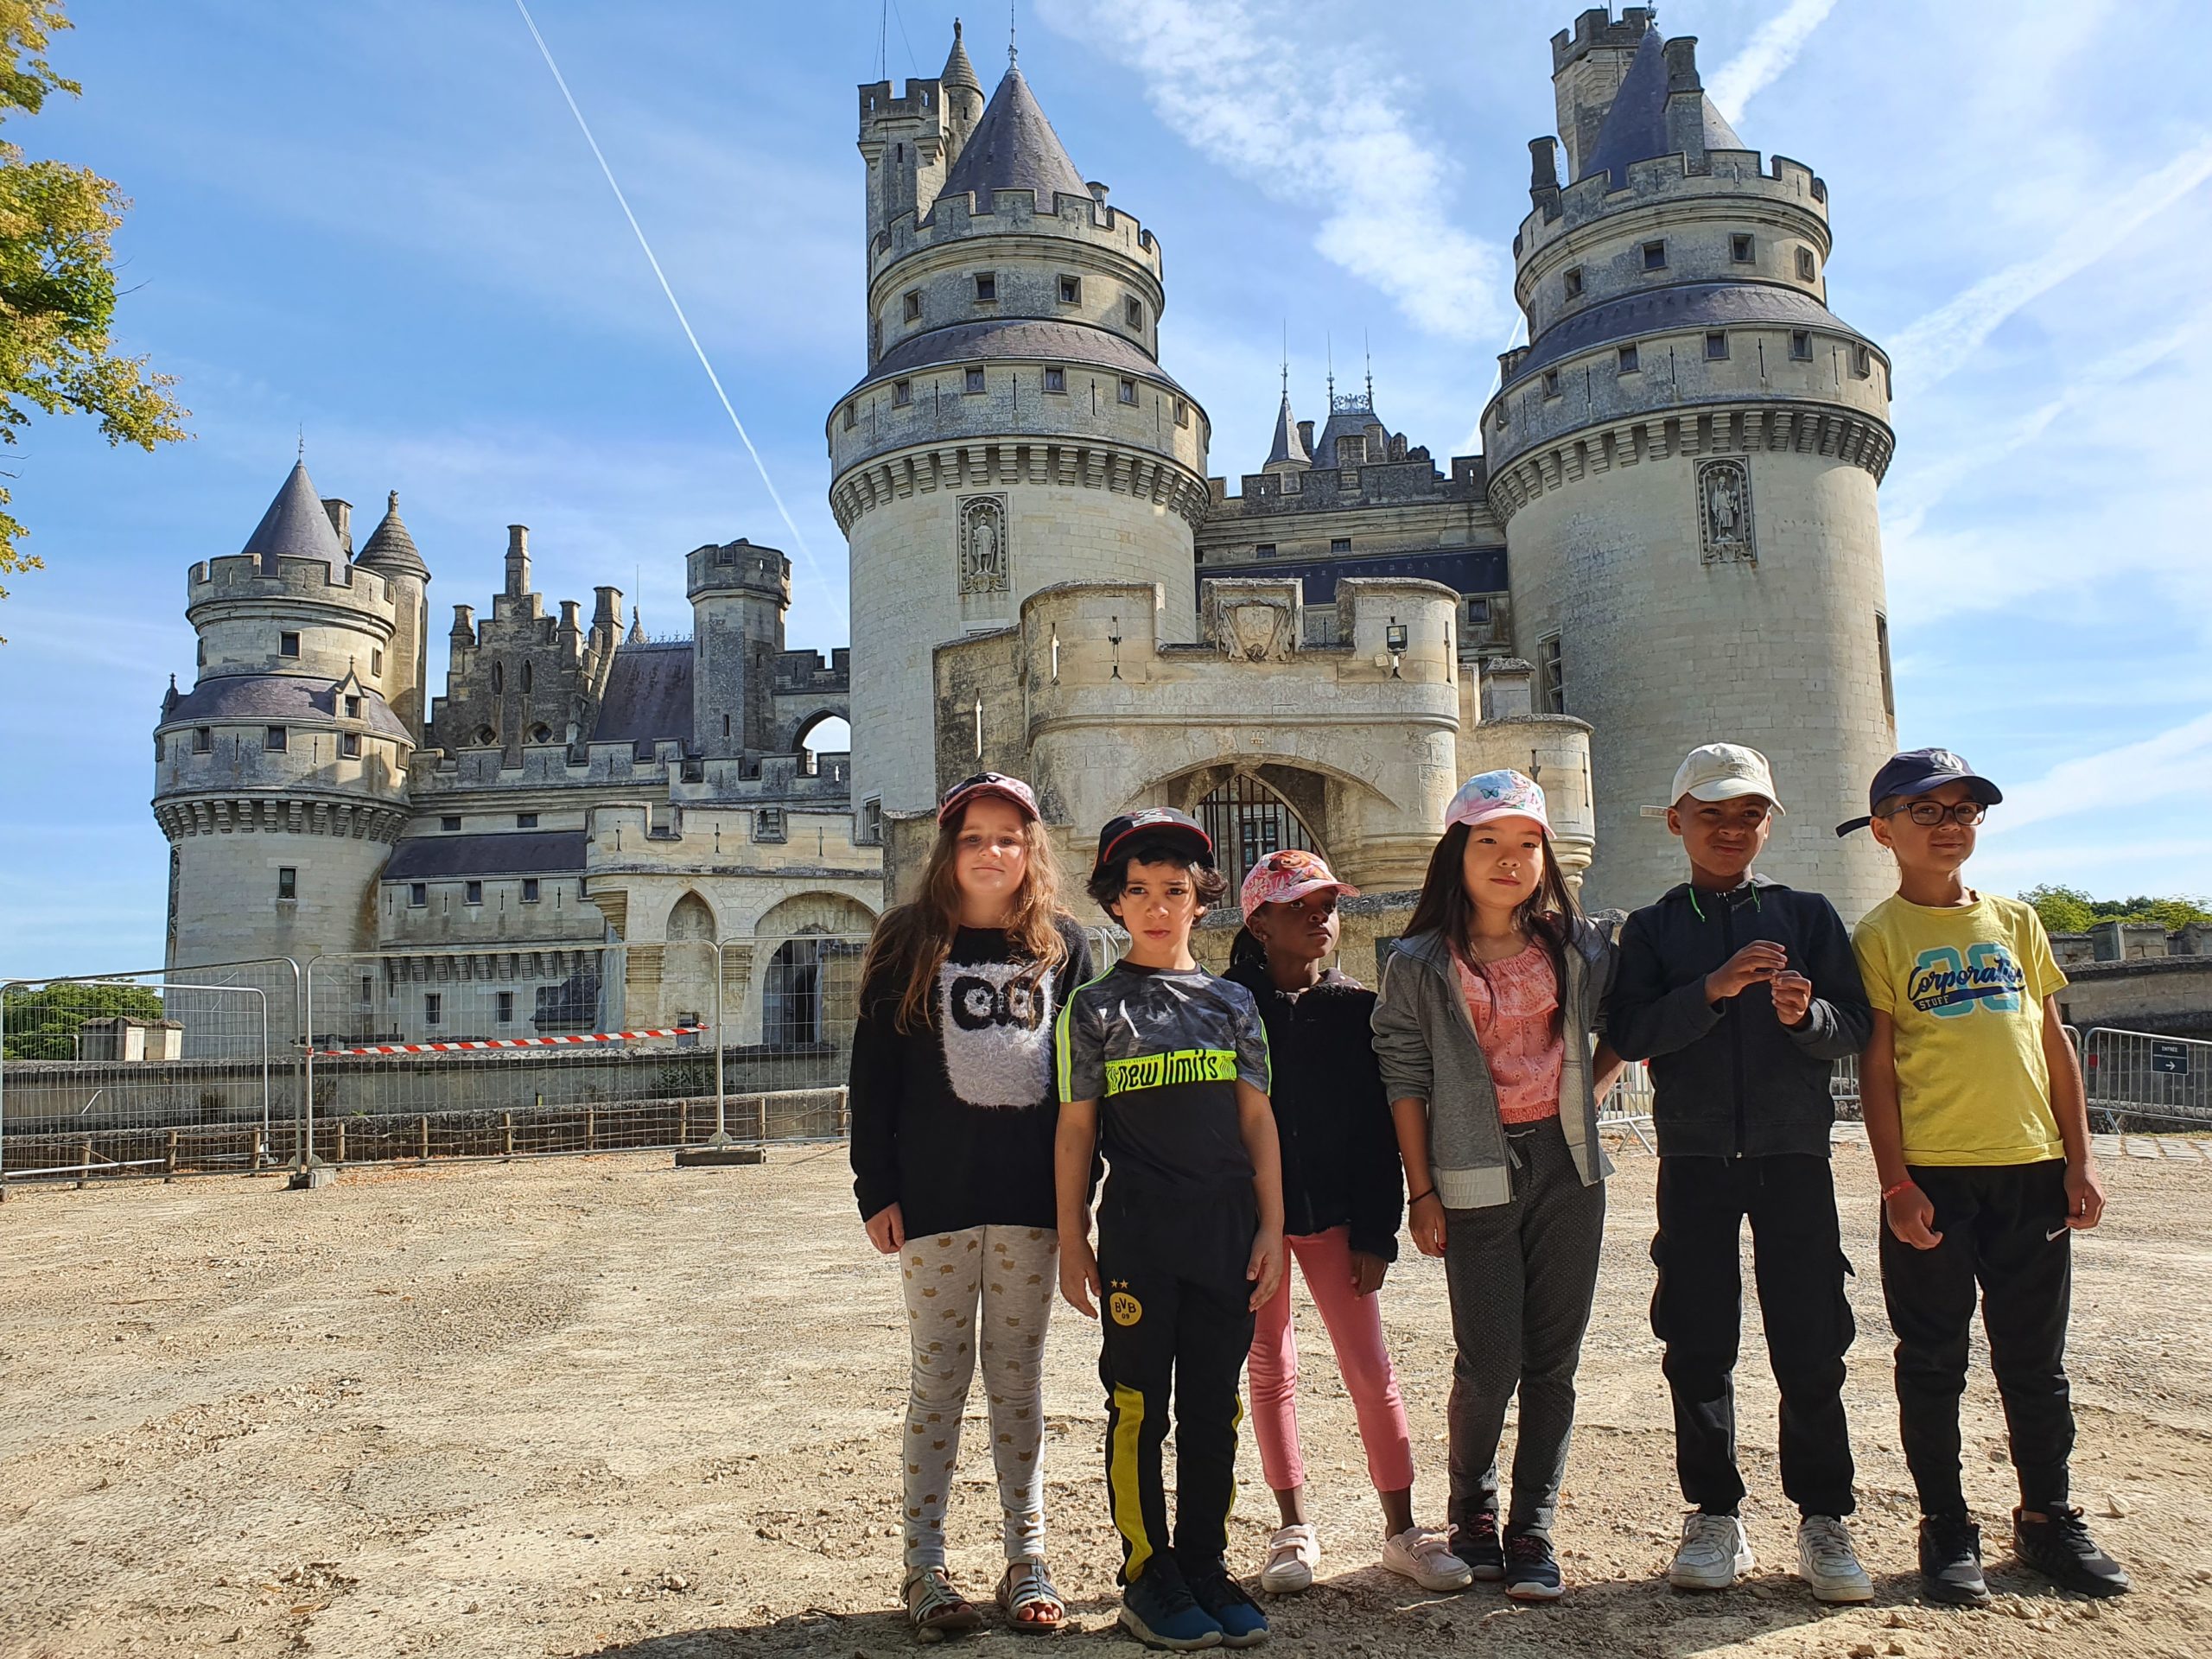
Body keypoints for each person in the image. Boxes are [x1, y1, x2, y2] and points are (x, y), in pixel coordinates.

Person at [1845, 749, 2130, 1605]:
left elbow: (2053, 1045)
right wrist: (1895, 1184)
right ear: (1884, 830)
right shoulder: (1879, 936)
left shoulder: (2015, 920)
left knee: (2034, 1365)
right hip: (1937, 1173)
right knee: (1932, 1363)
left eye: (1964, 810)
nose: (1949, 826)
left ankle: (2047, 1519)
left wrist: (2078, 1160)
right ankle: (1946, 1529)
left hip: (2030, 1170)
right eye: (1925, 813)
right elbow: (1878, 1070)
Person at [1605, 744, 1876, 1601]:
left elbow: (1853, 1030)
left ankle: (1823, 1517)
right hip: (1692, 1156)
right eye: (1712, 813)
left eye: (1748, 813)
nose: (1731, 829)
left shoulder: (1808, 913)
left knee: (1810, 1338)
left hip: (1793, 1153)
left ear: (1768, 821)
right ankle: (1714, 1512)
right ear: (1676, 820)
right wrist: (1714, 990)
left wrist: (1806, 1015)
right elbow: (1633, 1034)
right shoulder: (1650, 929)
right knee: (1695, 1339)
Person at [848, 772, 1093, 1641]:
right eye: (974, 837)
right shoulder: (906, 939)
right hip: (936, 1203)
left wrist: (1078, 1214)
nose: (992, 853)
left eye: (1009, 838)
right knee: (939, 1380)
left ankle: (1026, 1560)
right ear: (947, 850)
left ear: (1031, 852)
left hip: (1030, 1205)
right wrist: (874, 1188)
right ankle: (924, 1564)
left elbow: (1079, 1093)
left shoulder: (1063, 947)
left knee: (1019, 1383)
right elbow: (871, 1077)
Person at [1370, 770, 1623, 1601]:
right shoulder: (1417, 961)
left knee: (1555, 1359)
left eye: (1526, 843)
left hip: (1569, 1167)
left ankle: (1533, 1527)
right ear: (1457, 852)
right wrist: (1422, 1191)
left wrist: (1588, 1090)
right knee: (1489, 1359)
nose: (1510, 859)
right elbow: (1403, 1074)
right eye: (1489, 841)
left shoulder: (1576, 946)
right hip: (1473, 1167)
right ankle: (1472, 1510)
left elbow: (1626, 1026)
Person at [1055, 807, 1287, 1650]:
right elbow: (1076, 1132)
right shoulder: (1093, 1008)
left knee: (1213, 1408)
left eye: (1175, 891)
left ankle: (1203, 1562)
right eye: (1139, 891)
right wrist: (1072, 1238)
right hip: (1138, 1239)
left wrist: (1273, 1227)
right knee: (1137, 1406)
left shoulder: (1232, 1004)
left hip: (1226, 1234)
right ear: (1115, 903)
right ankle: (1146, 1571)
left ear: (1201, 900)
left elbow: (1258, 1123)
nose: (1157, 906)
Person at [1225, 850, 1471, 1599]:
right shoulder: (1228, 1007)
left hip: (1337, 1218)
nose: (1321, 917)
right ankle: (1292, 1527)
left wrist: (1376, 1232)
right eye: (1301, 904)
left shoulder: (1357, 1009)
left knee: (1370, 1369)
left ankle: (1401, 1531)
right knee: (1269, 1369)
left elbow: (1379, 1132)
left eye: (1328, 903)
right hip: (1254, 1224)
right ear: (1258, 921)